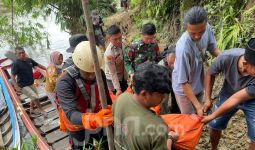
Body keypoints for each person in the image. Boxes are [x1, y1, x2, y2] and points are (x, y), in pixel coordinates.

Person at [56, 41, 113, 150]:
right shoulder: (64, 82)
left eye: (94, 72)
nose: (92, 76)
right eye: (88, 73)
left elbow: (107, 98)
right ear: (78, 66)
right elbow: (71, 114)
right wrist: (93, 119)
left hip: (98, 116)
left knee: (104, 143)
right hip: (77, 126)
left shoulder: (99, 73)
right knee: (83, 147)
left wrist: (110, 112)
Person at [201, 38, 255, 150]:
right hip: (228, 92)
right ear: (245, 64)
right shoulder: (226, 57)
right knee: (215, 125)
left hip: (251, 100)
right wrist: (207, 99)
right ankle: (214, 148)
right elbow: (210, 73)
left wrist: (211, 116)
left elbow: (236, 99)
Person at [113, 62, 178, 150]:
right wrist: (170, 138)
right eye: (161, 94)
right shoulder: (156, 126)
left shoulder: (121, 99)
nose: (163, 97)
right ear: (144, 94)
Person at [172, 6, 221, 117]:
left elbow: (213, 48)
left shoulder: (207, 28)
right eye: (192, 33)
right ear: (186, 28)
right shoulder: (183, 48)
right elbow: (183, 82)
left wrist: (226, 59)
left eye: (201, 32)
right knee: (190, 119)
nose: (197, 36)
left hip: (198, 82)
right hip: (183, 90)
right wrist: (198, 106)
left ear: (205, 24)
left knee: (198, 116)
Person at [11, 46, 47, 116]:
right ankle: (41, 110)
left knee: (34, 96)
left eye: (23, 52)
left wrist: (47, 69)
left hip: (31, 83)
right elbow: (12, 76)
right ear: (16, 55)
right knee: (35, 97)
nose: (22, 54)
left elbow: (38, 65)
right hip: (22, 85)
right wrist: (16, 87)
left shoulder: (29, 60)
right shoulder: (15, 64)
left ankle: (31, 109)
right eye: (19, 53)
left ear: (25, 52)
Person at [104, 25, 128, 96]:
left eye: (120, 38)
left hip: (123, 75)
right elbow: (113, 73)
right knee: (118, 97)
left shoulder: (123, 43)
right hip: (113, 80)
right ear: (109, 39)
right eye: (115, 39)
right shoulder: (109, 54)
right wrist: (118, 89)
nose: (118, 41)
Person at [158, 46, 180, 114]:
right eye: (171, 63)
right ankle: (164, 114)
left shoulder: (180, 60)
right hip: (164, 83)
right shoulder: (161, 66)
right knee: (164, 99)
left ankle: (175, 110)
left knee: (176, 95)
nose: (173, 65)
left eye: (175, 62)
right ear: (167, 57)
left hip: (174, 80)